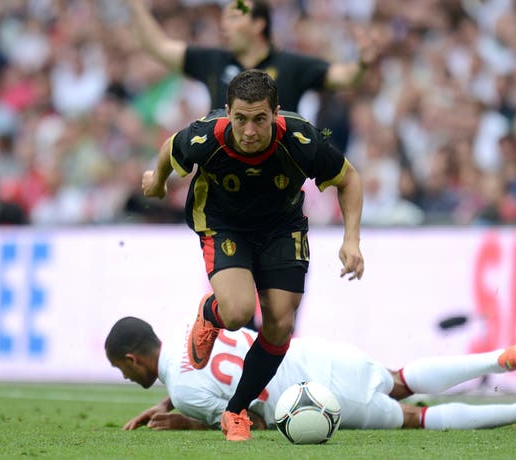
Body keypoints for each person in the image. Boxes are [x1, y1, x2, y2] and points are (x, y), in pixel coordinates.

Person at [140, 68, 364, 441]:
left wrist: (352, 240)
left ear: (275, 113)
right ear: (228, 111)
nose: (248, 131)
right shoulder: (205, 136)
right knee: (238, 313)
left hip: (281, 228)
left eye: (259, 119)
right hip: (224, 225)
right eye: (240, 119)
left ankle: (235, 411)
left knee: (279, 323)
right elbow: (172, 147)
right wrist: (158, 179)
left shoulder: (301, 138)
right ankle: (211, 313)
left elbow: (349, 178)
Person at [105, 315, 516, 433]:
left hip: (315, 396)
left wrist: (186, 418)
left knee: (417, 418)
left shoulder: (186, 394)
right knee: (401, 379)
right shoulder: (195, 326)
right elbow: (214, 368)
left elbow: (253, 420)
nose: (125, 378)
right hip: (324, 355)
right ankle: (499, 357)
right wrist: (170, 400)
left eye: (121, 369)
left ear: (132, 359)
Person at [123, 0, 377, 112]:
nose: (224, 26)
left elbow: (345, 78)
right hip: (223, 192)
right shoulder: (213, 61)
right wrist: (134, 4)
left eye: (235, 17)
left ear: (258, 25)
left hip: (277, 187)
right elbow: (158, 47)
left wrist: (363, 62)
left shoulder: (292, 65)